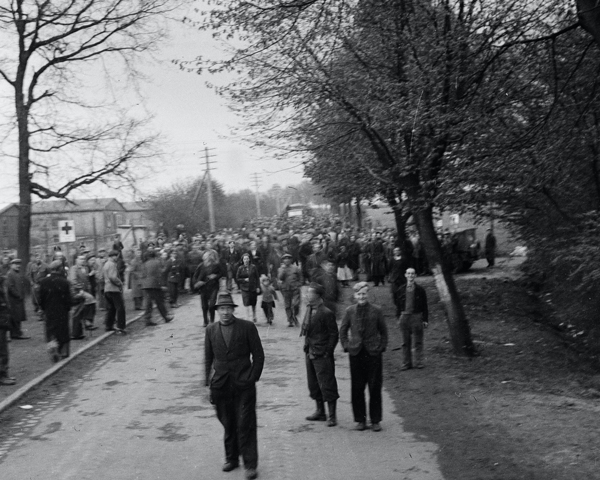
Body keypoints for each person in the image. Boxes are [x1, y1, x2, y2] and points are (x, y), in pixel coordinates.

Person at [204, 292, 264, 480]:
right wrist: (207, 384)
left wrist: (252, 377)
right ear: (217, 311)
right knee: (228, 422)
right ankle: (231, 458)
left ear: (233, 310)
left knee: (245, 423)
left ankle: (250, 465)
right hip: (221, 385)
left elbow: (259, 355)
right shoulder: (211, 330)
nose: (225, 312)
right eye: (222, 309)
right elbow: (208, 359)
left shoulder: (247, 327)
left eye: (228, 308)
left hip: (243, 384)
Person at [340, 282, 388, 432]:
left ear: (368, 295)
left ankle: (375, 420)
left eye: (364, 294)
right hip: (356, 353)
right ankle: (360, 420)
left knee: (374, 387)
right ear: (355, 296)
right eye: (359, 294)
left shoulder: (377, 311)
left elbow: (384, 332)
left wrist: (381, 347)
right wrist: (346, 345)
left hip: (373, 353)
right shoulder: (350, 311)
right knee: (357, 387)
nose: (361, 297)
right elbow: (343, 330)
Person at [301, 282, 339, 427]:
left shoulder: (326, 312)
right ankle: (320, 412)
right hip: (310, 352)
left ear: (317, 296)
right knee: (313, 383)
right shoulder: (309, 309)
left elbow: (333, 334)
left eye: (309, 293)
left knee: (327, 383)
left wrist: (327, 352)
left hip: (322, 354)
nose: (307, 295)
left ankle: (332, 416)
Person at [39, 261, 73, 362]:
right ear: (60, 269)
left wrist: (44, 308)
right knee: (63, 332)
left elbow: (41, 299)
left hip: (49, 311)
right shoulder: (65, 282)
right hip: (62, 312)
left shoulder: (44, 282)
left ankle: (52, 347)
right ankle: (63, 352)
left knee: (50, 330)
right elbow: (68, 300)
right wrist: (68, 308)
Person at [396, 268, 429, 370]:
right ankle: (406, 363)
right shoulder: (401, 289)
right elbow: (398, 306)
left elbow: (425, 306)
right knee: (405, 342)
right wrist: (399, 318)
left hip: (417, 316)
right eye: (409, 273)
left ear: (415, 276)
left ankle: (418, 362)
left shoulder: (420, 290)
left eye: (412, 274)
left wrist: (425, 319)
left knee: (418, 341)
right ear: (405, 275)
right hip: (404, 316)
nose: (410, 276)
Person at [141, 249, 173, 326]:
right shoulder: (157, 262)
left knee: (148, 303)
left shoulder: (144, 264)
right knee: (160, 302)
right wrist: (162, 285)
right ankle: (166, 317)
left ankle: (147, 319)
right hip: (155, 285)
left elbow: (142, 275)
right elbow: (160, 274)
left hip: (146, 286)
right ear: (154, 255)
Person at [193, 251, 223, 326]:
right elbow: (195, 276)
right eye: (205, 256)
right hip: (203, 288)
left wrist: (215, 276)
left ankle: (212, 321)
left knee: (212, 305)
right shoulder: (201, 265)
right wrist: (197, 283)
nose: (205, 257)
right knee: (204, 306)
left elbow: (222, 273)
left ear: (210, 257)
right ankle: (205, 321)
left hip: (214, 287)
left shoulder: (216, 265)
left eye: (207, 256)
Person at [102, 250, 127, 334]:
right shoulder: (112, 264)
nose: (117, 258)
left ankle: (108, 326)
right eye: (117, 256)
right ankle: (121, 327)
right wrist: (120, 283)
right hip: (114, 289)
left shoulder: (106, 264)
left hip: (107, 289)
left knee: (111, 308)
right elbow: (112, 277)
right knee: (120, 308)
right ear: (113, 256)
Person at [7, 258, 30, 340]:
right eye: (16, 264)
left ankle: (16, 333)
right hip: (14, 300)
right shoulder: (10, 274)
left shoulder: (16, 273)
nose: (18, 266)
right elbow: (10, 287)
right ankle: (16, 333)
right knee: (15, 317)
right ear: (11, 265)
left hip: (17, 300)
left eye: (19, 264)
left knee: (17, 317)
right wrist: (18, 295)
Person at [277, 253, 301, 327]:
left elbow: (301, 277)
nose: (287, 260)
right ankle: (290, 320)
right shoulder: (280, 269)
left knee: (296, 304)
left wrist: (298, 284)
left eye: (288, 259)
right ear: (283, 261)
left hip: (295, 289)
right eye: (285, 259)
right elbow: (280, 278)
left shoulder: (296, 268)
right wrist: (283, 270)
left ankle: (295, 316)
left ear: (291, 260)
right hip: (286, 289)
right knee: (287, 305)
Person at [388, 247, 413, 317]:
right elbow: (389, 268)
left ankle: (401, 309)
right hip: (394, 280)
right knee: (395, 294)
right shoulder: (392, 260)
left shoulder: (404, 259)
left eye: (398, 250)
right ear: (393, 252)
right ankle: (397, 306)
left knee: (402, 294)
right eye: (395, 251)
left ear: (400, 251)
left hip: (402, 279)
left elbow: (408, 268)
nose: (396, 252)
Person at [0, 274, 16, 385]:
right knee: (2, 351)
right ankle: (2, 376)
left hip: (3, 323)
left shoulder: (1, 287)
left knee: (3, 350)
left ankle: (4, 373)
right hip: (1, 323)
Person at [236, 253, 260, 322]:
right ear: (242, 260)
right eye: (244, 259)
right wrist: (244, 280)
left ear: (249, 259)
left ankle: (254, 315)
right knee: (246, 302)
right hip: (244, 288)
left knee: (253, 302)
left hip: (253, 287)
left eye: (247, 259)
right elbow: (237, 278)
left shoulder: (253, 267)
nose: (246, 260)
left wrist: (258, 287)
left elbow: (257, 277)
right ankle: (247, 317)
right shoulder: (240, 268)